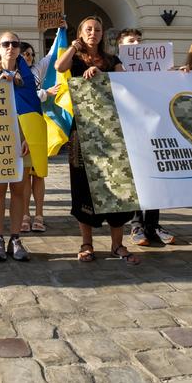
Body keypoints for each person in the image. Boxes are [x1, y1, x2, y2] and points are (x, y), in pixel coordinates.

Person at [55, 16, 140, 265]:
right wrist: (74, 46)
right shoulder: (75, 59)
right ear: (81, 32)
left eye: (97, 29)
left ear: (103, 35)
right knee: (83, 186)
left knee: (118, 183)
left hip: (113, 134)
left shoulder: (113, 60)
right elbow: (59, 67)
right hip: (82, 131)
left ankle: (117, 245)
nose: (93, 33)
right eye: (88, 29)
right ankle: (87, 243)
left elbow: (127, 83)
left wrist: (103, 74)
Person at [0, 32, 40, 262]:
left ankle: (15, 237)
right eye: (6, 44)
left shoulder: (27, 75)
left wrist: (29, 136)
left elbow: (34, 108)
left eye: (15, 44)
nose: (11, 48)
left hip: (23, 136)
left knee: (18, 189)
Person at [117, 28, 176, 246]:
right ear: (121, 45)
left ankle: (153, 224)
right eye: (131, 41)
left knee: (155, 175)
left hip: (152, 129)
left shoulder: (155, 68)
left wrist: (180, 73)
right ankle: (136, 225)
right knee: (136, 178)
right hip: (129, 129)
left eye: (139, 40)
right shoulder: (117, 68)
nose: (137, 44)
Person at [19, 42, 61, 233]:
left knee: (39, 174)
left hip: (38, 126)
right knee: (24, 175)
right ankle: (25, 214)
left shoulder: (37, 70)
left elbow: (51, 56)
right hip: (21, 126)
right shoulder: (14, 74)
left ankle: (39, 214)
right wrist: (45, 93)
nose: (28, 57)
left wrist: (60, 31)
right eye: (24, 54)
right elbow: (21, 97)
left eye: (30, 54)